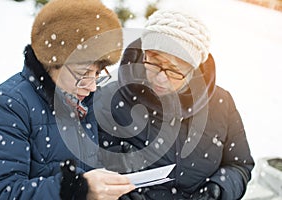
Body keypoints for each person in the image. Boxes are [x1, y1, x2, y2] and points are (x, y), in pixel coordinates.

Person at [0, 0, 135, 199]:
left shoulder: (85, 101)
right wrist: (75, 189)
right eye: (83, 74)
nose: (92, 86)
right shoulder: (7, 106)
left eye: (97, 73)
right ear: (51, 63)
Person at [98, 9, 255, 200]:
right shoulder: (107, 98)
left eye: (174, 70)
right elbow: (85, 166)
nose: (161, 78)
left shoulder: (222, 104)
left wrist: (219, 189)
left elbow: (240, 165)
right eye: (155, 62)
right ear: (143, 53)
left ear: (193, 70)